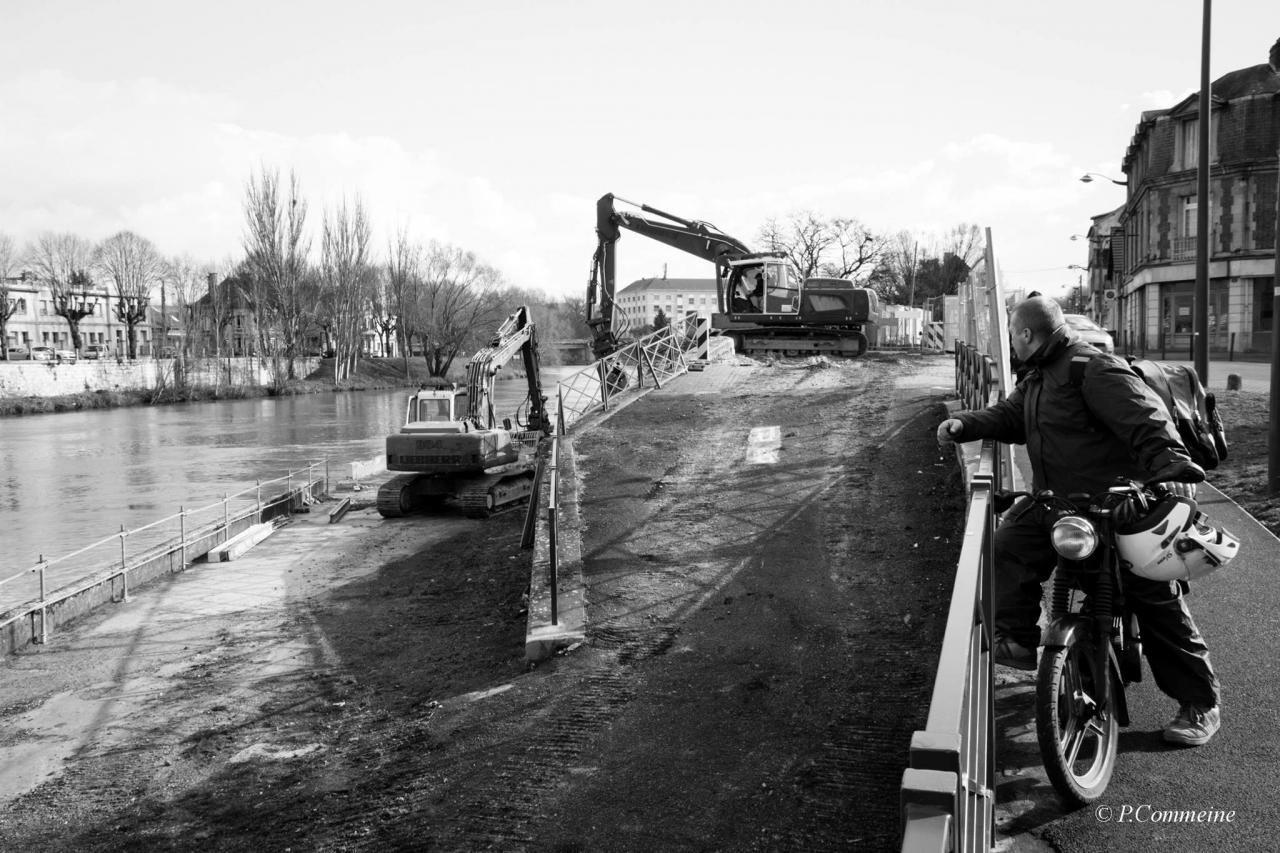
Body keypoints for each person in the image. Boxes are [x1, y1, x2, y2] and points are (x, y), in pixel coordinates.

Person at [936, 296, 1221, 746]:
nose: (1011, 341)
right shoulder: (1038, 375)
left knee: (1154, 602)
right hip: (1063, 503)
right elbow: (1013, 417)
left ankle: (1200, 705)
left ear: (1027, 334)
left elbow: (1144, 416)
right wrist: (967, 425)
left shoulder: (1091, 367)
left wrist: (1172, 462)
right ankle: (1019, 640)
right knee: (1009, 542)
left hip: (1120, 503)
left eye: (1013, 334)